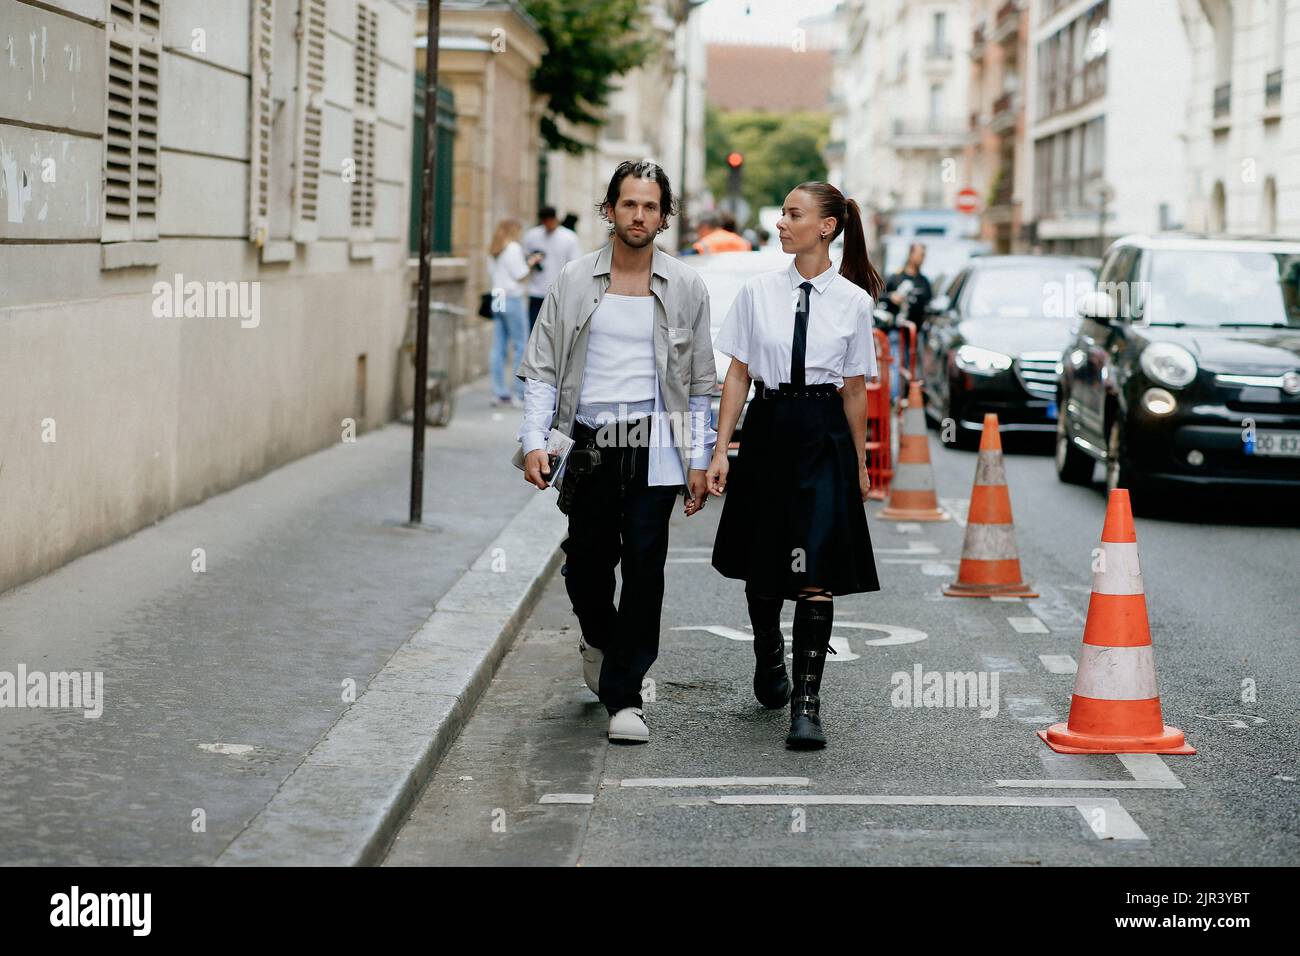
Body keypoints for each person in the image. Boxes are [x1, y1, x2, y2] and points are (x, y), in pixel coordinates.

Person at [512, 161, 717, 744]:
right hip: (592, 443)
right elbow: (543, 369)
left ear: (664, 215)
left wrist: (699, 460)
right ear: (609, 210)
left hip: (656, 444)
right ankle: (598, 639)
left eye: (651, 206)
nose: (639, 215)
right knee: (586, 568)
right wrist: (533, 443)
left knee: (647, 570)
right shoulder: (575, 280)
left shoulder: (686, 287)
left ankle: (626, 697)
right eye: (629, 204)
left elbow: (702, 383)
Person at [706, 181, 883, 751]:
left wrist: (859, 463)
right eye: (782, 212)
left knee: (817, 571)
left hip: (824, 433)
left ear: (826, 227)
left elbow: (854, 389)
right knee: (764, 565)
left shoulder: (855, 303)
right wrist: (719, 451)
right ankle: (767, 657)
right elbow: (737, 374)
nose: (781, 223)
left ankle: (807, 706)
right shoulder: (758, 292)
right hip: (768, 427)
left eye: (793, 214)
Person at [487, 219, 533, 407]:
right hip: (512, 297)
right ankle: (519, 394)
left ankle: (499, 393)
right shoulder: (513, 248)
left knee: (498, 345)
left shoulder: (494, 249)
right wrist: (531, 262)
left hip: (497, 295)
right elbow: (521, 274)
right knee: (521, 344)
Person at [881, 243, 933, 400]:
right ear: (911, 254)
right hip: (898, 331)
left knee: (914, 368)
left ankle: (910, 398)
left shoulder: (924, 281)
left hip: (917, 332)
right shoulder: (895, 278)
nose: (922, 258)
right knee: (896, 364)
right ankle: (895, 399)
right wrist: (892, 297)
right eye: (919, 254)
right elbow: (879, 296)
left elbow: (930, 304)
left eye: (924, 255)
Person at [523, 206, 583, 333]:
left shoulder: (569, 237)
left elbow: (576, 265)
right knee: (534, 331)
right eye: (545, 222)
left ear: (555, 219)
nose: (548, 225)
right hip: (536, 292)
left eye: (550, 221)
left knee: (556, 332)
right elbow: (524, 259)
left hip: (559, 293)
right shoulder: (532, 236)